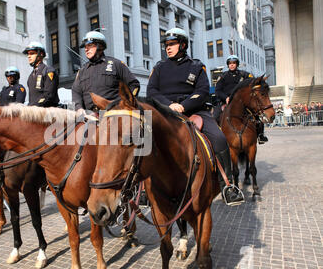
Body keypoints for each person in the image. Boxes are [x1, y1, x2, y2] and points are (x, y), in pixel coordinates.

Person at [147, 27, 244, 206]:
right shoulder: (159, 67)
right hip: (165, 111)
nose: (167, 48)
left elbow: (202, 91)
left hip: (194, 111)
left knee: (220, 138)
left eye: (172, 44)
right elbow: (151, 91)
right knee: (141, 135)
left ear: (183, 45)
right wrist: (169, 105)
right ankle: (141, 189)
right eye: (166, 45)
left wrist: (184, 106)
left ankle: (227, 186)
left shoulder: (196, 66)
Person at [72, 31, 140, 114]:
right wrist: (78, 108)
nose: (86, 49)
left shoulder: (116, 64)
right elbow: (76, 92)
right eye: (85, 46)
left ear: (100, 46)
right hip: (90, 116)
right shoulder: (82, 71)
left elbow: (134, 85)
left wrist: (125, 104)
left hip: (113, 114)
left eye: (90, 45)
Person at [23, 41, 59, 107]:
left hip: (48, 111)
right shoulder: (31, 76)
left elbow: (49, 95)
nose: (29, 56)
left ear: (41, 54)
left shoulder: (48, 71)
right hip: (34, 112)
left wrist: (35, 106)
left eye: (32, 53)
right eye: (28, 54)